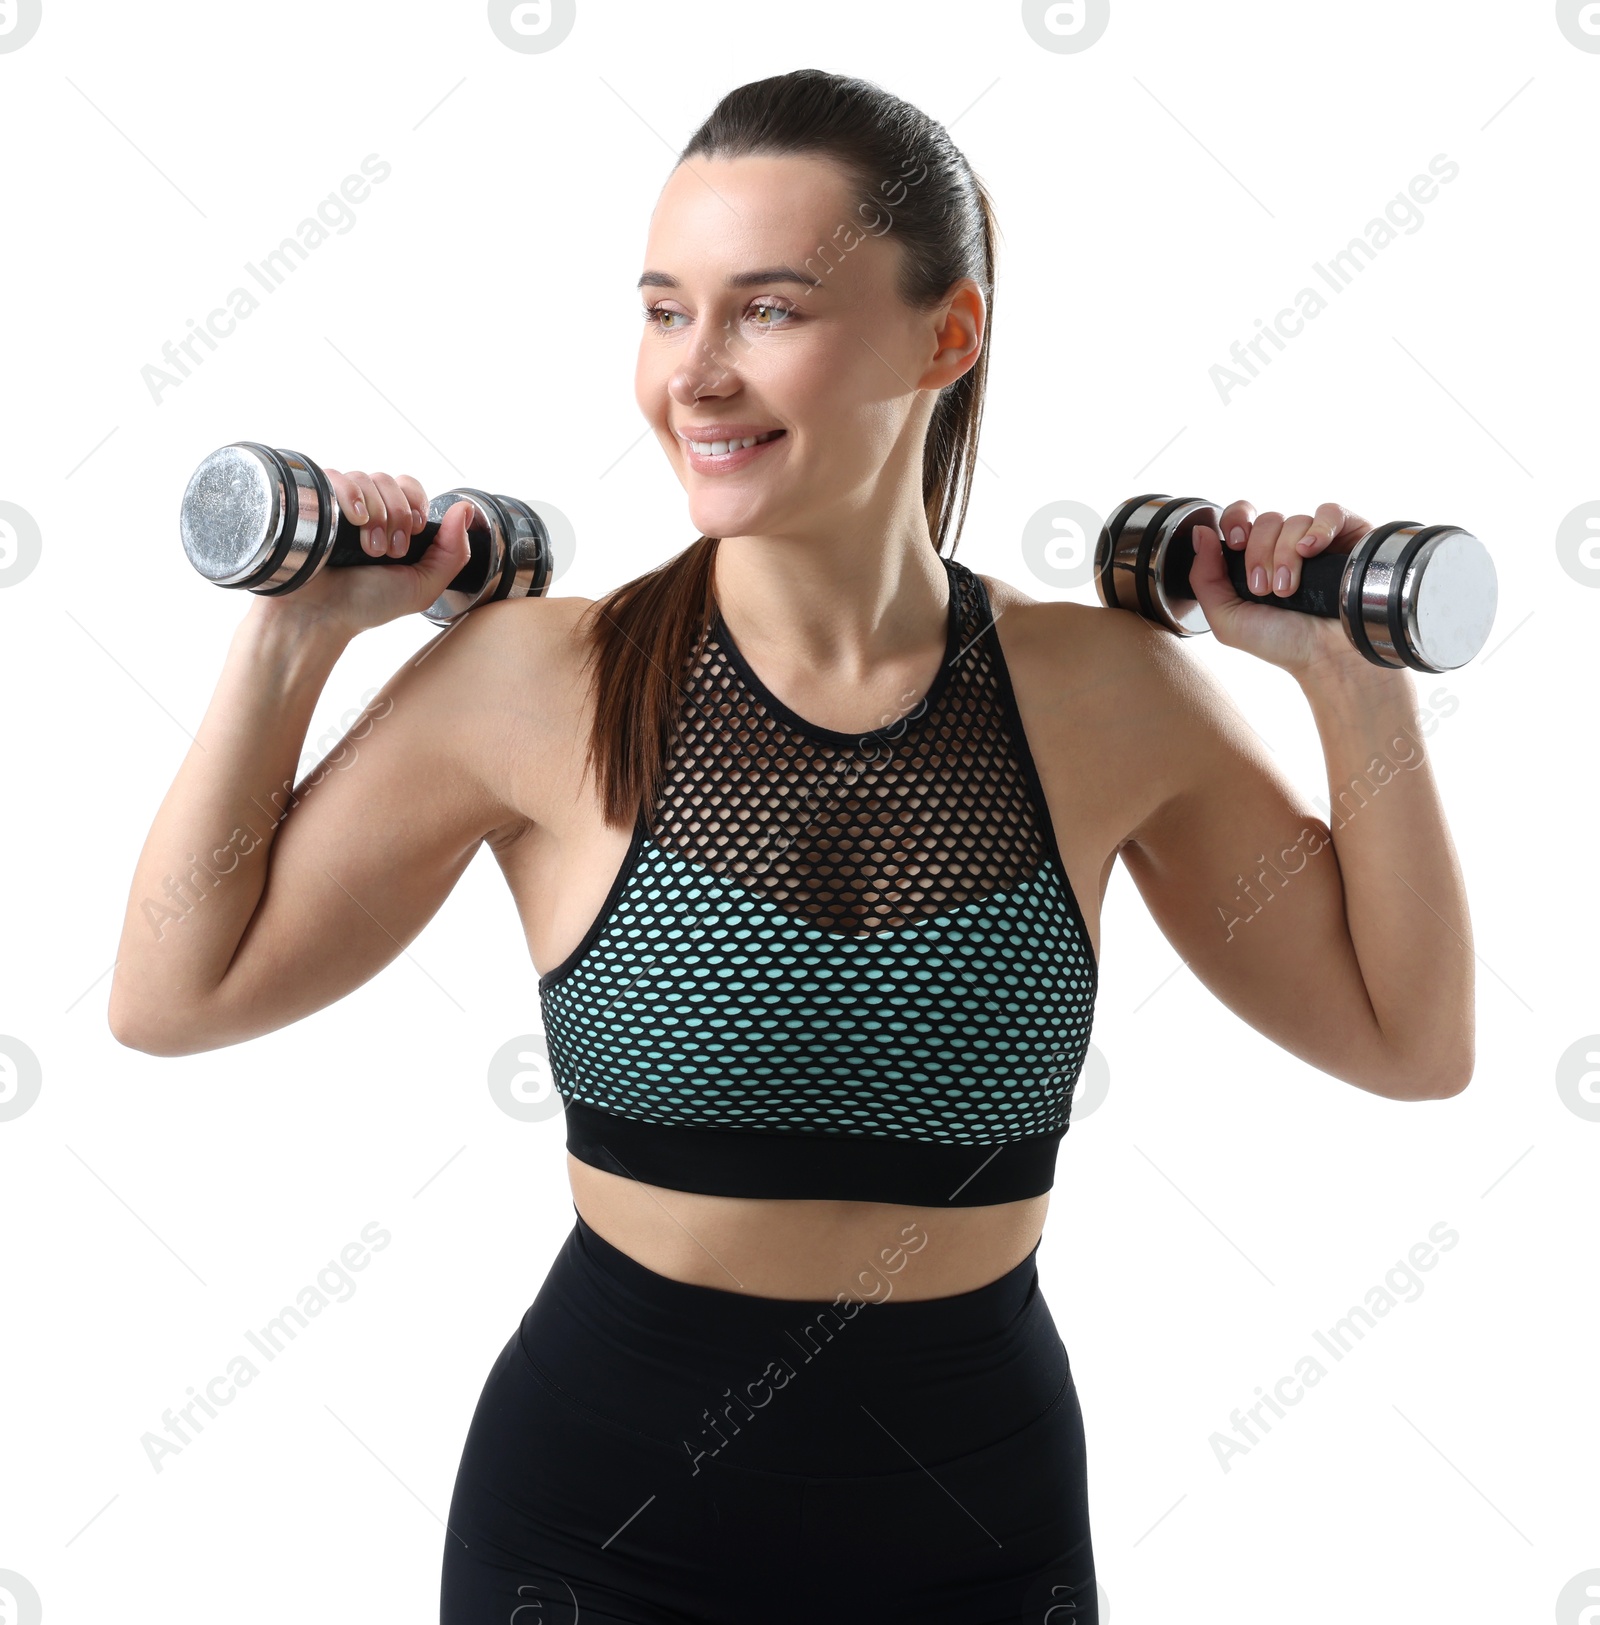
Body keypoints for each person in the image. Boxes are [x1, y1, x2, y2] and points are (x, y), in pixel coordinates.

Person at [109, 67, 1474, 1625]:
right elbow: (171, 994)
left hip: (982, 1537)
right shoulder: (530, 684)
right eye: (665, 310)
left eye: (767, 310)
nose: (695, 375)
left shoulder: (1105, 695)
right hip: (594, 1547)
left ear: (945, 336)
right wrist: (293, 644)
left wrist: (1352, 688)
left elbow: (1408, 1039)